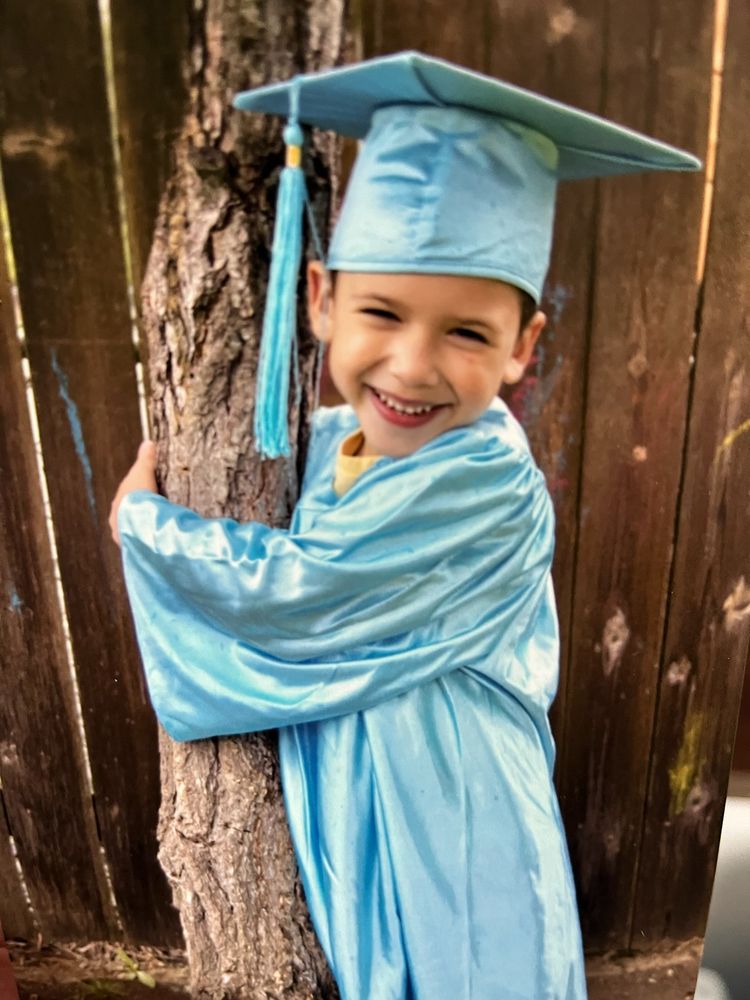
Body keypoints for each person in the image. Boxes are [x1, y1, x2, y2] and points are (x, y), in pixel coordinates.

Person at [109, 52, 699, 1000]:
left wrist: (149, 527)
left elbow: (303, 594)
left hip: (457, 818)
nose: (412, 364)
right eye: (381, 312)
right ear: (320, 300)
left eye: (467, 331)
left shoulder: (484, 479)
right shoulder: (333, 440)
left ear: (523, 347)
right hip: (367, 795)